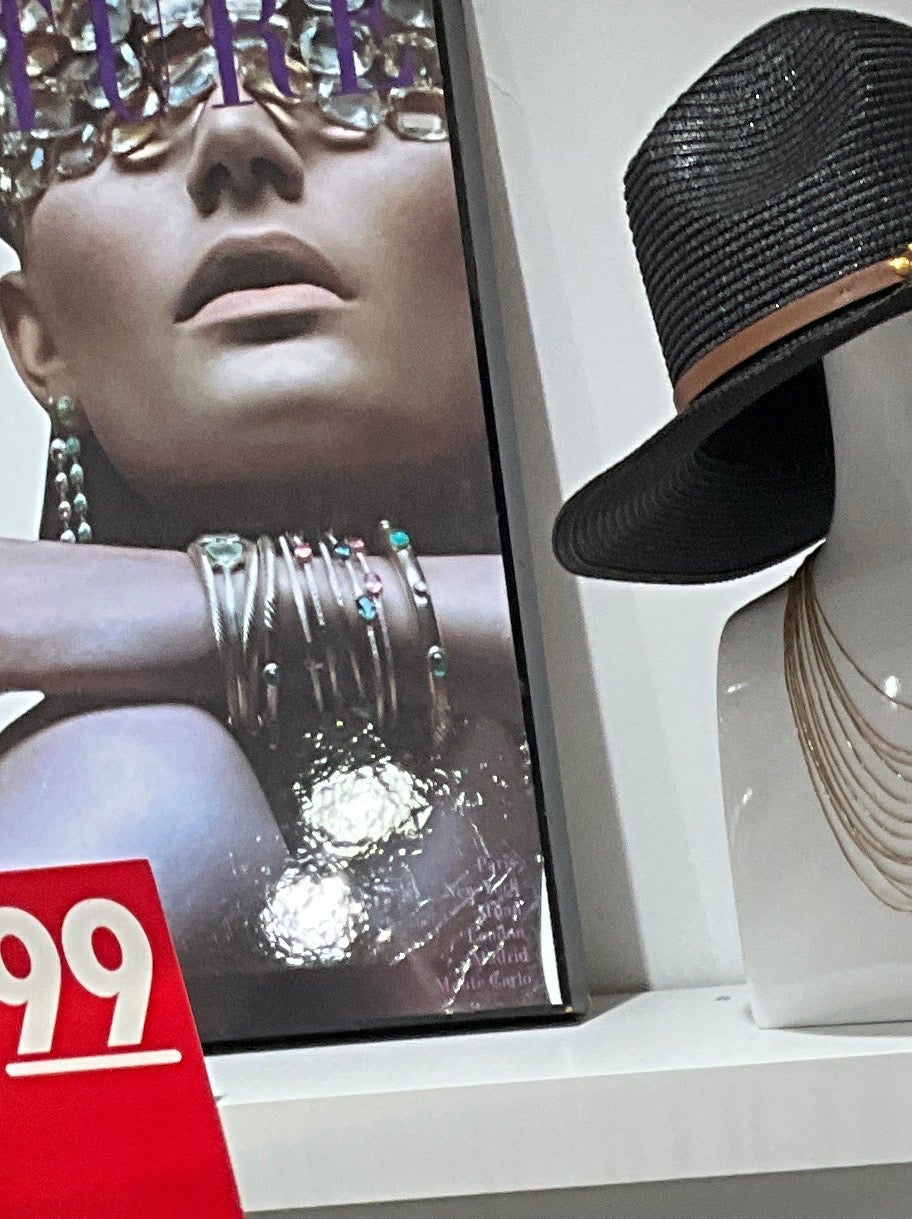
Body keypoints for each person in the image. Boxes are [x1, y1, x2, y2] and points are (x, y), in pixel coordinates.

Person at [0, 4, 553, 1040]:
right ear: (36, 341)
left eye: (352, 71)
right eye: (126, 102)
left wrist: (215, 607)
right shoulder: (129, 790)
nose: (234, 136)